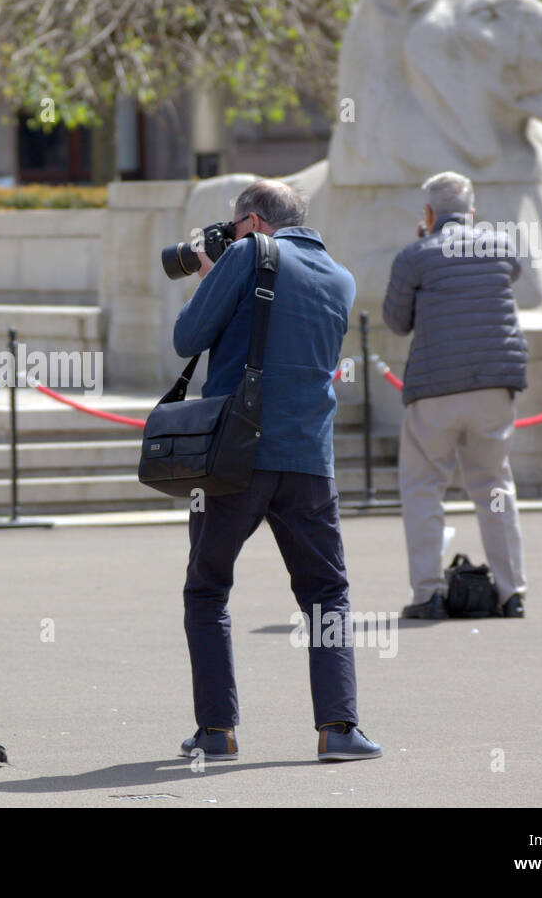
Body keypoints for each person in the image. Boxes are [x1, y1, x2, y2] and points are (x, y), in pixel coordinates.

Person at [173, 179, 381, 763]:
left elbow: (186, 336)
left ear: (255, 222)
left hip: (236, 456)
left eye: (235, 225)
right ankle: (339, 728)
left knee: (208, 588)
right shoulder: (341, 277)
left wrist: (213, 274)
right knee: (327, 594)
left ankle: (217, 733)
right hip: (311, 460)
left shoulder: (246, 255)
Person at [382, 171, 528, 620]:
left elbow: (396, 321)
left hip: (435, 389)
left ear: (427, 215)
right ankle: (511, 593)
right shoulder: (502, 248)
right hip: (494, 386)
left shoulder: (415, 256)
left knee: (424, 487)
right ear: (472, 211)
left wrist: (422, 246)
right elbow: (509, 275)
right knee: (494, 487)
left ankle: (428, 594)